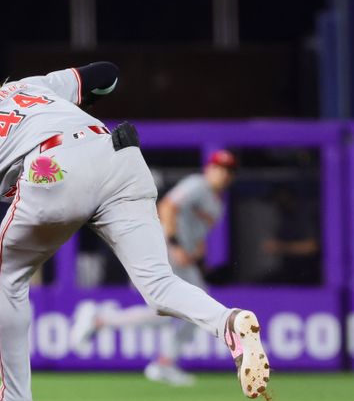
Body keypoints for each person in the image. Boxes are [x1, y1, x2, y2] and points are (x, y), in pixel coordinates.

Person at [0, 63, 269, 401]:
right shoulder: (25, 87)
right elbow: (107, 74)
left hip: (53, 169)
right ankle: (229, 323)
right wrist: (76, 102)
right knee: (158, 284)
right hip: (120, 158)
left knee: (8, 275)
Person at [70, 150, 238, 386]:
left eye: (228, 170)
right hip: (165, 248)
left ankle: (104, 322)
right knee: (195, 305)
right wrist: (176, 243)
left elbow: (198, 231)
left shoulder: (218, 202)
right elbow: (168, 207)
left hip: (180, 255)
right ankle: (160, 360)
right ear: (209, 169)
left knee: (168, 313)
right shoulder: (197, 184)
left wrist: (197, 251)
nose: (223, 174)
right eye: (219, 168)